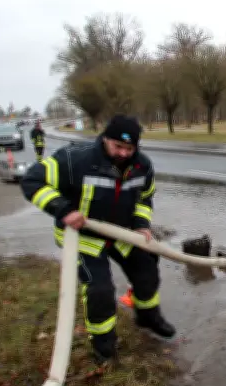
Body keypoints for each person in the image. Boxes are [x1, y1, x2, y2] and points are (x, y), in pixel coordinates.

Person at [20, 114, 175, 363]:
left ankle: (147, 316)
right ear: (105, 140)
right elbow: (32, 181)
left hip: (122, 233)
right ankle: (104, 346)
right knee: (100, 290)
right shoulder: (74, 160)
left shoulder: (142, 165)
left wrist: (141, 224)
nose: (123, 153)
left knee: (147, 268)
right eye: (118, 146)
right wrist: (63, 210)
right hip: (83, 237)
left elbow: (145, 197)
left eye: (129, 148)